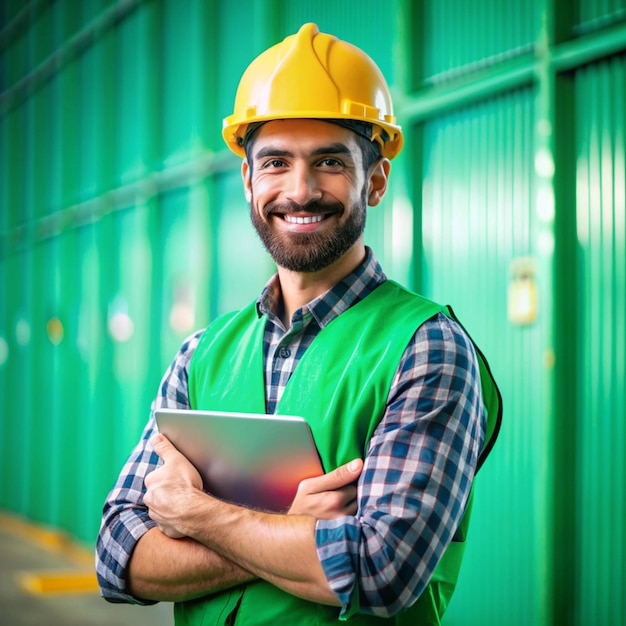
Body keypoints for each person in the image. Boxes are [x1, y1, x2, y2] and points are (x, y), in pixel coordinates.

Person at [96, 23, 502, 626]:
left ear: (377, 179)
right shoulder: (202, 354)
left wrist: (198, 513)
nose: (300, 190)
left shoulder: (428, 349)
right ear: (249, 182)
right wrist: (289, 530)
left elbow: (381, 569)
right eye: (277, 162)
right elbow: (116, 559)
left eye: (330, 162)